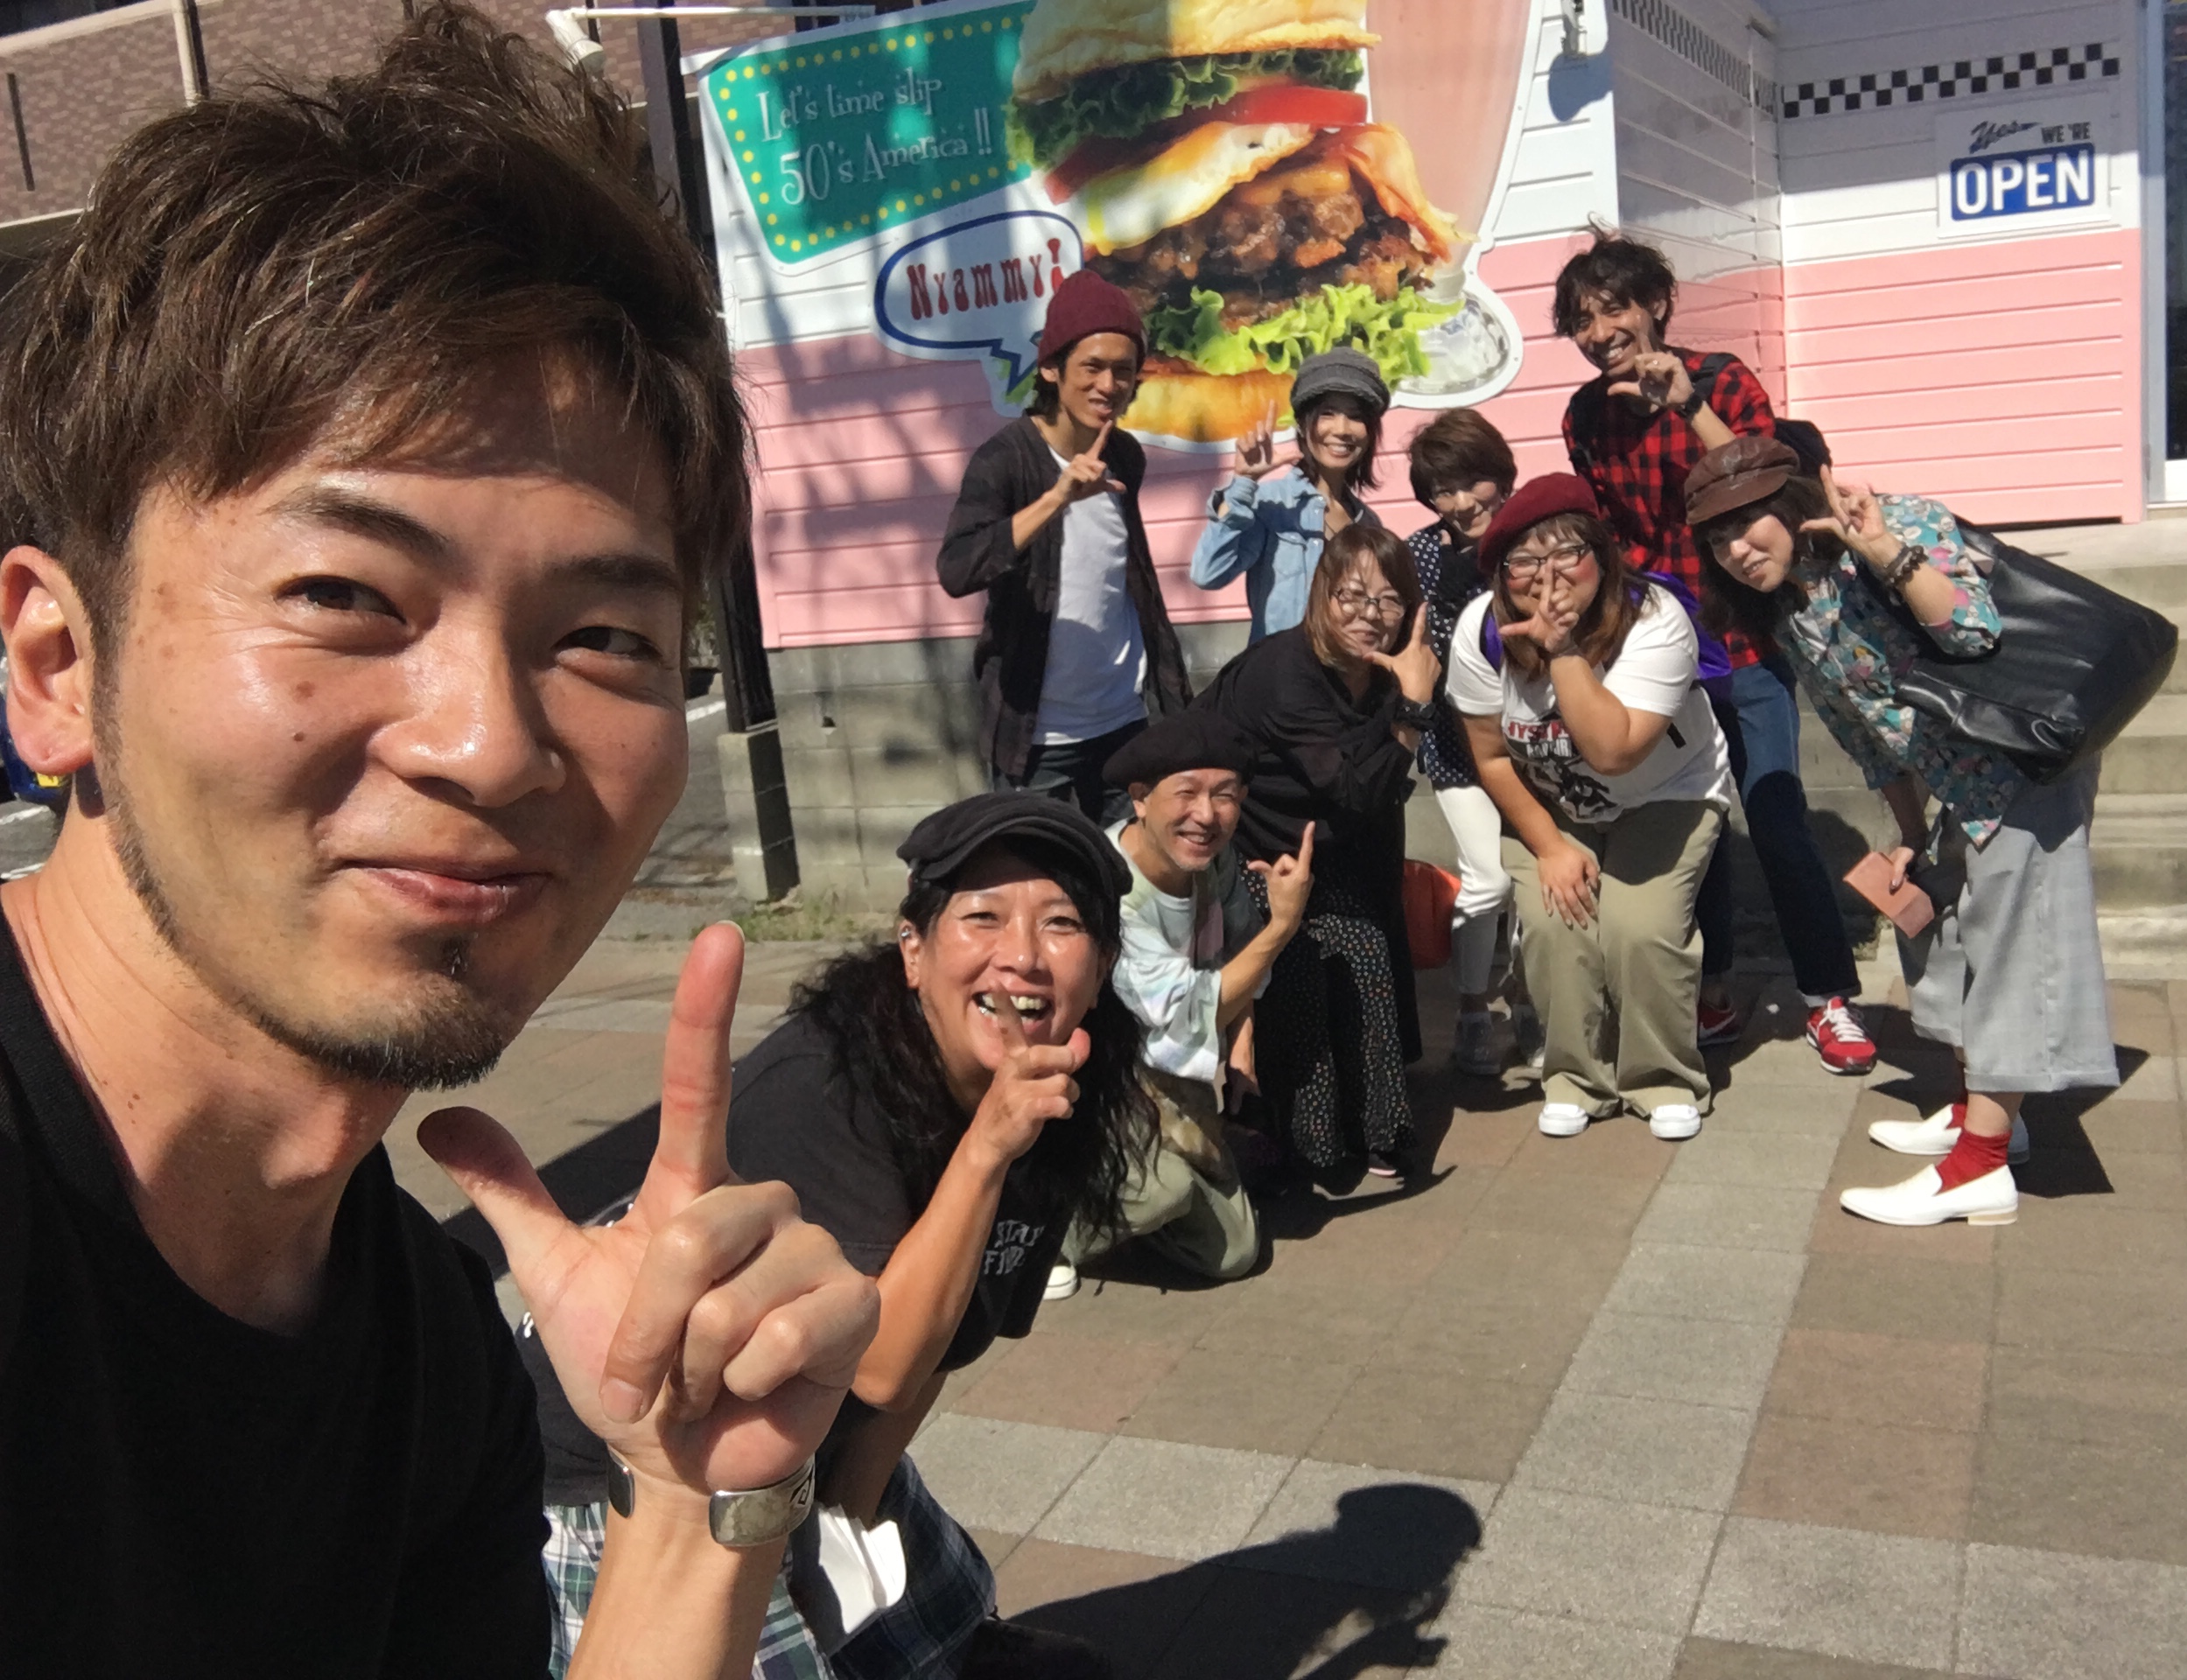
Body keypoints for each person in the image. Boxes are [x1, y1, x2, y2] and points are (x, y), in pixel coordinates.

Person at [0, 11, 880, 1675]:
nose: (490, 745)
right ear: (57, 667)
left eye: (605, 639)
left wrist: (699, 1494)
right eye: (345, 594)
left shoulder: (426, 1351)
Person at [536, 795, 1146, 1676]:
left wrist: (849, 1523)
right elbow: (883, 1364)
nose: (1021, 954)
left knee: (929, 1635)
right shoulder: (827, 1086)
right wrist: (986, 1149)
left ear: (1103, 964)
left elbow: (942, 1345)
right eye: (982, 917)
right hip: (639, 1464)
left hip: (805, 1431)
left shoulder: (1053, 1093)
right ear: (913, 951)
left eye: (1061, 924)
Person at [1686, 436, 2114, 1226]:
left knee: (2011, 952)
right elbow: (1865, 733)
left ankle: (1980, 1170)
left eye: (1747, 525)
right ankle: (1987, 1115)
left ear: (1790, 503)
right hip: (1955, 786)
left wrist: (1881, 548)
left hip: (2023, 767)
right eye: (1718, 541)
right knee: (1942, 934)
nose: (1737, 551)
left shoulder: (1900, 524)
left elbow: (1972, 632)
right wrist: (1911, 831)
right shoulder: (1788, 607)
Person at [1555, 229, 1872, 1076]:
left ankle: (1827, 996)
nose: (1599, 333)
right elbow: (1606, 532)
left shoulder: (1723, 379)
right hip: (1658, 649)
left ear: (1656, 304)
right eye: (1582, 320)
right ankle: (1714, 985)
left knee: (1774, 815)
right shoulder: (1583, 416)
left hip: (1744, 636)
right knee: (1691, 821)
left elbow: (1765, 484)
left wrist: (1687, 403)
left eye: (1614, 309)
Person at [1447, 476, 1733, 1142]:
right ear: (1502, 576)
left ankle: (1662, 1078)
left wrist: (1562, 650)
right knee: (1556, 925)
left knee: (1639, 928)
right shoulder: (1480, 631)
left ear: (1601, 557)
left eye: (1566, 553)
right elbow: (1491, 757)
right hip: (1552, 800)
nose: (1546, 577)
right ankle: (1575, 1078)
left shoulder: (1654, 617)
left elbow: (1612, 751)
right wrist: (1549, 847)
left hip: (1668, 792)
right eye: (1524, 561)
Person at [1195, 525, 1439, 1185]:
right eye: (1351, 595)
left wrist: (1408, 704)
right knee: (1302, 961)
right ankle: (1310, 1139)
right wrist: (1414, 711)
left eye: (1388, 600)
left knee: (1367, 949)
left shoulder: (1385, 671)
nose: (1369, 614)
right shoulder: (1285, 673)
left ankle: (1379, 1126)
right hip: (1248, 854)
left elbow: (1377, 789)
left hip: (1328, 845)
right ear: (1321, 594)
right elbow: (1356, 787)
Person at [1050, 710, 1317, 1292]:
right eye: (1187, 793)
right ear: (1140, 799)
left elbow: (1239, 956)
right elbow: (1189, 1010)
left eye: (1225, 795)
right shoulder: (1108, 892)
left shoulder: (1215, 860)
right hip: (1094, 1081)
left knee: (1233, 1253)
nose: (1206, 814)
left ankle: (1136, 1185)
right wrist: (1284, 925)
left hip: (1166, 1073)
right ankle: (1041, 1233)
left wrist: (1242, 1050)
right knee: (1162, 1191)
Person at [936, 269, 1191, 821]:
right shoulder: (1005, 460)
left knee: (1127, 871)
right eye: (1092, 367)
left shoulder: (1124, 456)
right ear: (1052, 369)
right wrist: (1057, 497)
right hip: (1038, 736)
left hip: (1126, 722)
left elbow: (1129, 582)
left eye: (1123, 371)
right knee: (1048, 870)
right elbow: (958, 569)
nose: (1109, 385)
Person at [1405, 409, 1521, 1075]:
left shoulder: (1533, 537)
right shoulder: (1421, 555)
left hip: (1537, 744)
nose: (1460, 502)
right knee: (1488, 877)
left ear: (1501, 475)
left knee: (1535, 880)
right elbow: (1413, 647)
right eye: (1442, 490)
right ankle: (1474, 1011)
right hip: (1456, 747)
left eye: (1472, 481)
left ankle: (1531, 1003)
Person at [1188, 347, 1390, 640]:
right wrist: (1243, 484)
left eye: (1356, 417)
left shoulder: (1368, 523)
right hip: (1281, 667)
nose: (1342, 429)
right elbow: (1208, 574)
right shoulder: (1271, 504)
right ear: (1302, 425)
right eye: (1327, 413)